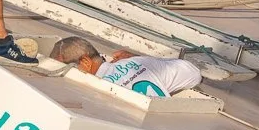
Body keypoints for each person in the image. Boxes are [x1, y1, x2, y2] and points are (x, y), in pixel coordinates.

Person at [48, 37, 202, 98]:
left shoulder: (95, 91)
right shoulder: (139, 63)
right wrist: (141, 59)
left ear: (85, 62)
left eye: (65, 69)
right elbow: (194, 74)